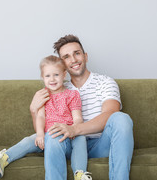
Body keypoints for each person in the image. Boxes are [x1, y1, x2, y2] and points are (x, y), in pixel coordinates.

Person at [30, 35, 134, 180]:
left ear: (85, 56)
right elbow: (43, 130)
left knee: (122, 118)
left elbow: (111, 113)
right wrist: (34, 110)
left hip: (99, 144)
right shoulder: (56, 89)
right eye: (66, 57)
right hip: (69, 146)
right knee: (52, 134)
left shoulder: (105, 82)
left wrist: (75, 129)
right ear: (62, 65)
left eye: (77, 53)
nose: (73, 60)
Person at [0, 55, 92, 180]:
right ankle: (3, 159)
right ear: (42, 77)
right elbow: (40, 117)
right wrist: (40, 134)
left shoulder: (72, 95)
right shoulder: (43, 95)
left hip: (68, 137)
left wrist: (74, 128)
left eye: (56, 75)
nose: (52, 79)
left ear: (64, 75)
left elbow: (78, 117)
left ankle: (80, 174)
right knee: (29, 140)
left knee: (81, 138)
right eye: (47, 76)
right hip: (48, 136)